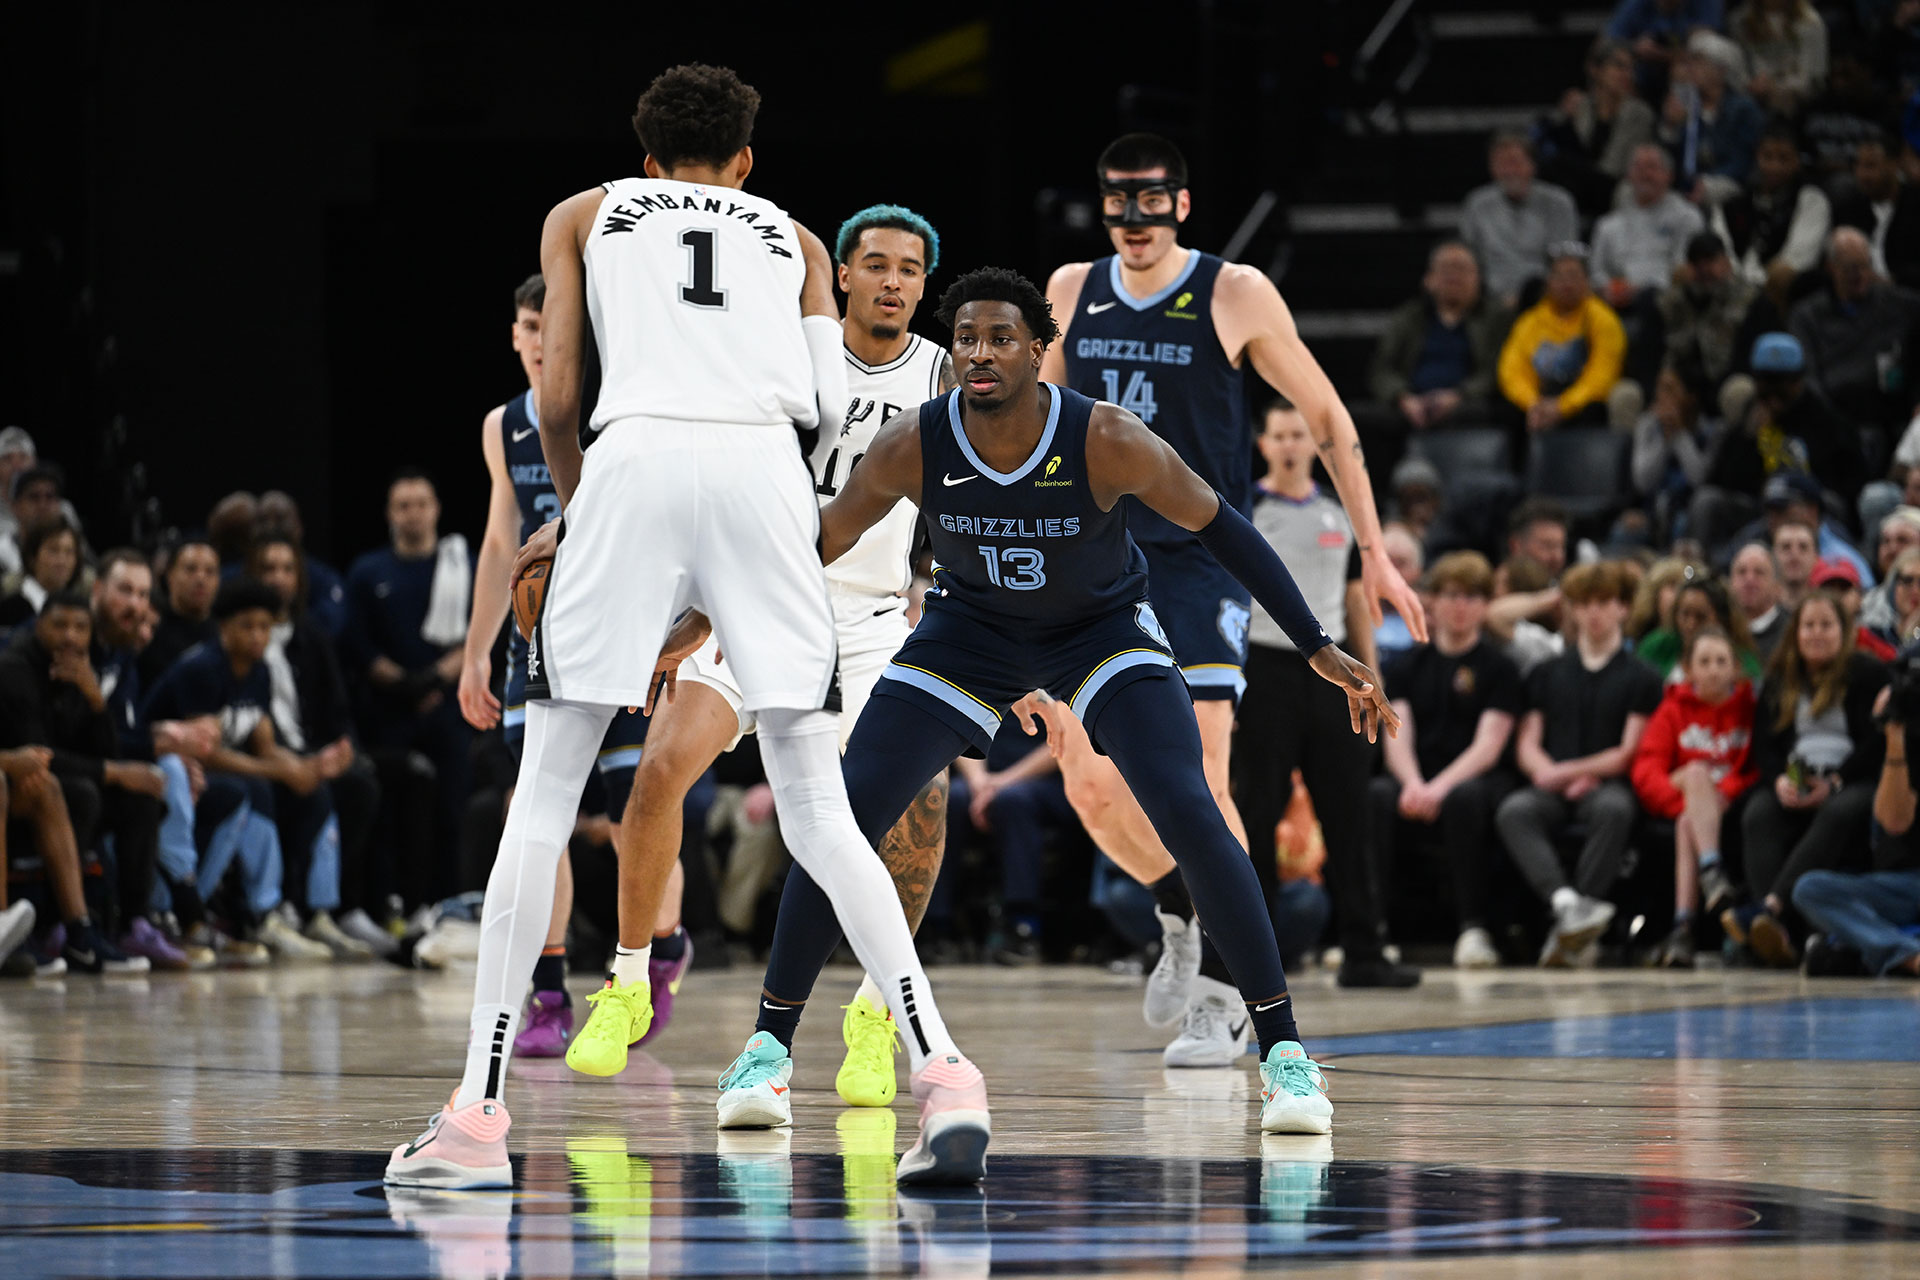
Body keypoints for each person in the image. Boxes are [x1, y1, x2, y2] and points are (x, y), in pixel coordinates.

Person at [388, 65, 988, 1191]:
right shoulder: (802, 241)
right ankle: (946, 1071)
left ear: (646, 157)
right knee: (818, 804)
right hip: (766, 475)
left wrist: (578, 520)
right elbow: (818, 412)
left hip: (637, 457)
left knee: (548, 790)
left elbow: (559, 399)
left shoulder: (585, 212)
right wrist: (729, 566)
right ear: (748, 162)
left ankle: (476, 1115)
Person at [705, 265, 1393, 1140]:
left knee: (1190, 810)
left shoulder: (1106, 436)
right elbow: (815, 544)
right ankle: (768, 1051)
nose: (981, 353)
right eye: (965, 339)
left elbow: (1222, 525)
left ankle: (1286, 1056)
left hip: (1100, 633)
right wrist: (714, 612)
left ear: (1040, 349)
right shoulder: (913, 443)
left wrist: (1315, 643)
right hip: (969, 635)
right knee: (843, 816)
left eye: (1000, 338)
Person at [565, 204, 956, 1106]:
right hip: (755, 592)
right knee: (661, 767)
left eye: (910, 269)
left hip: (865, 617)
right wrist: (688, 603)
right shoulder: (785, 353)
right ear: (843, 277)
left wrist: (942, 591)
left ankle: (873, 1013)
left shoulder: (942, 372)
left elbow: (972, 501)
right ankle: (628, 978)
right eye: (877, 265)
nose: (894, 280)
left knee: (919, 803)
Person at [1038, 131, 1423, 1015]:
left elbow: (1327, 416)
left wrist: (1371, 548)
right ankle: (1183, 901)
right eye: (1118, 199)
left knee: (1203, 772)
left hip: (1197, 561)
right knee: (1090, 785)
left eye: (1151, 198)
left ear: (1181, 202)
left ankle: (1228, 991)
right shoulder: (1070, 290)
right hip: (1092, 563)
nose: (1134, 217)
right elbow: (1036, 428)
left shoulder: (1234, 291)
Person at [453, 273, 675, 1062]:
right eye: (528, 324)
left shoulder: (620, 407)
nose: (543, 337)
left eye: (556, 323)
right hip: (538, 642)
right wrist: (477, 648)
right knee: (531, 814)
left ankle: (658, 951)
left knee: (637, 814)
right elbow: (496, 545)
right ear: (515, 335)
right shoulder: (501, 427)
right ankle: (547, 993)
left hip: (630, 634)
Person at [1227, 398, 1385, 1035]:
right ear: (1263, 444)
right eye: (1281, 434)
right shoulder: (1245, 510)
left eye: (1301, 434)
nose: (1291, 444)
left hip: (1332, 672)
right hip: (1261, 668)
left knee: (1349, 808)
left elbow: (1353, 600)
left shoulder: (1337, 515)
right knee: (1257, 814)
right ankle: (1261, 964)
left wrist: (1372, 678)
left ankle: (1367, 951)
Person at [143, 580, 345, 964]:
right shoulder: (201, 668)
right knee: (251, 790)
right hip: (172, 768)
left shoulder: (260, 672)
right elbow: (205, 752)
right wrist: (281, 773)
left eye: (265, 627)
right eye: (247, 626)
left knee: (313, 791)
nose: (257, 635)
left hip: (221, 770)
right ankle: (237, 911)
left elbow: (264, 744)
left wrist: (308, 768)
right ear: (224, 627)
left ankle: (299, 912)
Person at [1496, 561, 1665, 966]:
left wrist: (1569, 772)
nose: (1594, 612)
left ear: (1623, 608)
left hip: (1604, 784)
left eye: (1604, 602)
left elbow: (1627, 752)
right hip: (1555, 784)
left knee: (1615, 809)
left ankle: (1574, 928)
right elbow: (1528, 743)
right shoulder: (1546, 672)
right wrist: (1547, 774)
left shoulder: (1642, 676)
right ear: (1572, 609)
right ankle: (1569, 905)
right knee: (1514, 810)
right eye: (1585, 603)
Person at [1373, 551, 1524, 968]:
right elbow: (1396, 732)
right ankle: (1374, 929)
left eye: (1473, 597)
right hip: (1417, 775)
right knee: (1378, 797)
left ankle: (1473, 930)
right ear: (1432, 601)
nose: (1461, 606)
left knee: (1465, 800)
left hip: (1478, 778)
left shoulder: (1500, 668)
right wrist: (1413, 784)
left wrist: (1437, 788)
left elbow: (1488, 747)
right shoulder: (1406, 665)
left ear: (1485, 605)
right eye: (1452, 595)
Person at [1726, 591, 1887, 965]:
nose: (1816, 633)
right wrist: (1780, 781)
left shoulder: (1867, 673)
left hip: (1853, 779)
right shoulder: (1781, 679)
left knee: (1838, 811)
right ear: (1795, 633)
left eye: (1826, 625)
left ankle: (1770, 909)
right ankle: (1776, 937)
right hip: (1798, 774)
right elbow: (1765, 747)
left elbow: (1876, 745)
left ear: (1843, 631)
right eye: (1808, 625)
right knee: (1758, 813)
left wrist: (1834, 782)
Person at [0, 591, 153, 974]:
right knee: (69, 791)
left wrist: (94, 698)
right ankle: (33, 927)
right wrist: (112, 772)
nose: (70, 636)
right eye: (60, 625)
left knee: (138, 800)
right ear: (38, 626)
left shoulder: (82, 669)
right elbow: (40, 752)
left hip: (35, 779)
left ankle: (102, 929)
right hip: (16, 777)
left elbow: (106, 750)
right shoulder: (16, 667)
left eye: (80, 627)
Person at [342, 470, 473, 899]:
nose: (413, 514)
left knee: (452, 811)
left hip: (451, 710)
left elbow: (480, 634)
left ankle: (449, 901)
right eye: (403, 505)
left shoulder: (463, 564)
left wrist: (433, 680)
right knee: (392, 812)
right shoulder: (367, 572)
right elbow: (360, 646)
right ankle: (395, 905)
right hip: (389, 714)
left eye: (421, 504)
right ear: (389, 513)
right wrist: (406, 685)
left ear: (435, 509)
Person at [249, 536, 381, 960]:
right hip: (264, 758)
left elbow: (337, 712)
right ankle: (285, 904)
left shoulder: (313, 637)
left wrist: (341, 751)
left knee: (361, 783)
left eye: (287, 569)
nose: (278, 578)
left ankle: (344, 908)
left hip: (310, 752)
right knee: (305, 790)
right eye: (269, 568)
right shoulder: (243, 638)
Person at [1631, 627, 1756, 966]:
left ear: (1735, 668)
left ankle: (1683, 926)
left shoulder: (1750, 710)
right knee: (1695, 784)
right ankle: (1711, 871)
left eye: (1721, 661)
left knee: (1693, 810)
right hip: (1687, 802)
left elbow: (1753, 769)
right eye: (1704, 661)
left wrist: (1720, 796)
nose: (1714, 669)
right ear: (1689, 670)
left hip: (1731, 805)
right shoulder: (1672, 711)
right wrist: (1689, 800)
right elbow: (1646, 771)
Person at [1791, 675, 1920, 978]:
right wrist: (1894, 737)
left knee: (1830, 953)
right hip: (1905, 885)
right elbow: (1894, 822)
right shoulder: (1904, 740)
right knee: (1810, 888)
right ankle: (1907, 954)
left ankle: (1869, 947)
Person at [1360, 241, 1509, 478]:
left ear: (1479, 278)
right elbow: (1381, 369)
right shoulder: (1409, 317)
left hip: (1467, 406)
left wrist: (1460, 395)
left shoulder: (1495, 319)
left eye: (1462, 269)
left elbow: (1496, 370)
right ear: (1428, 279)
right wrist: (1402, 397)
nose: (1454, 276)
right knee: (1357, 421)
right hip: (1412, 406)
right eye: (1447, 269)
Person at [1789, 226, 1920, 433]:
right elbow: (1808, 377)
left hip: (1891, 414)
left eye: (1865, 266)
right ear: (1831, 267)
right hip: (1835, 416)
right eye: (1850, 268)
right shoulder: (1807, 316)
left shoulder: (1899, 305)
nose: (1859, 275)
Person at [1497, 243, 1627, 432]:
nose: (1567, 283)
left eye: (1574, 276)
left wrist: (1562, 407)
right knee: (1508, 410)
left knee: (1593, 408)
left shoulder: (1604, 320)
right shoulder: (1530, 321)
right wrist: (1532, 404)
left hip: (1582, 401)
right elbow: (1512, 371)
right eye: (1559, 276)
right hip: (1539, 401)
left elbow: (1602, 376)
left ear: (1587, 281)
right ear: (1548, 282)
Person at [1710, 119, 1831, 303]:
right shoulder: (1732, 202)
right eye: (1767, 157)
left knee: (1780, 274)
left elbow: (1799, 257)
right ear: (1757, 157)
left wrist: (1757, 282)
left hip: (1779, 289)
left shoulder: (1811, 200)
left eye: (1783, 159)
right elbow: (1721, 246)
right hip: (1732, 284)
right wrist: (1735, 279)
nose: (1774, 166)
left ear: (1797, 161)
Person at [1461, 132, 1581, 307]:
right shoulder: (1477, 204)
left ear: (1532, 165)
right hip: (1489, 301)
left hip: (1547, 300)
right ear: (1492, 169)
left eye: (1515, 162)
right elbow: (1469, 259)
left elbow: (1565, 261)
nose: (1509, 171)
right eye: (1501, 164)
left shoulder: (1559, 203)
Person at [1540, 39, 1658, 215]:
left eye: (1630, 68)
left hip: (1614, 186)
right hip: (1580, 187)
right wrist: (1566, 119)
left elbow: (1613, 168)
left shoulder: (1639, 114)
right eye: (1619, 66)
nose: (1627, 74)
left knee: (1561, 164)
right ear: (1595, 70)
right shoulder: (1580, 107)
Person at [1590, 145, 1704, 305]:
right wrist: (1609, 288)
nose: (1644, 174)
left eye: (1652, 167)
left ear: (1669, 175)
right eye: (1638, 167)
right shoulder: (1608, 225)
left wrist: (1639, 289)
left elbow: (1684, 268)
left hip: (1665, 301)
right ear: (1629, 175)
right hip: (1615, 299)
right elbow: (1596, 271)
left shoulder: (1687, 217)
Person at [1660, 31, 1765, 198]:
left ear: (1721, 71)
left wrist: (1706, 183)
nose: (1690, 69)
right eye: (1690, 62)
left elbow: (1743, 160)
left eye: (1699, 62)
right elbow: (1672, 161)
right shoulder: (1685, 105)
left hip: (1728, 183)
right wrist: (1671, 127)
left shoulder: (1743, 108)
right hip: (1685, 185)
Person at [1660, 232, 1760, 391]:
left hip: (1728, 377)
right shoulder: (1676, 300)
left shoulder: (1748, 298)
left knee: (1739, 390)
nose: (1704, 269)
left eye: (1710, 261)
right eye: (1697, 263)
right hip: (1685, 381)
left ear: (1726, 262)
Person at [1832, 132, 1920, 289]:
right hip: (1858, 291)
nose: (1862, 174)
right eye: (1858, 165)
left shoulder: (1915, 204)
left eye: (1870, 166)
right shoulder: (1849, 207)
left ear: (1894, 165)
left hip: (1906, 293)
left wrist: (1894, 281)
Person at [1637, 574, 1765, 681]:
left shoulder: (1743, 661)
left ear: (1721, 620)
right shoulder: (1657, 646)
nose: (1690, 624)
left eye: (1701, 617)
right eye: (1685, 614)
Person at [141, 537, 220, 686]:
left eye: (210, 571)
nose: (200, 578)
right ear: (170, 575)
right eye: (190, 569)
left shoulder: (224, 634)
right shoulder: (149, 631)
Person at [1733, 0, 1828, 113]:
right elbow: (1738, 69)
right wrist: (1751, 83)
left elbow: (1814, 76)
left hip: (1800, 97)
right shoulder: (1740, 21)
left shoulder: (1810, 22)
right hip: (1756, 94)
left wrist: (1776, 86)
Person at [0, 516, 83, 630]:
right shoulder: (8, 609)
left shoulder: (81, 610)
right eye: (53, 550)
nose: (62, 561)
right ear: (32, 557)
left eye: (69, 552)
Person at [1730, 540, 1788, 660]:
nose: (1749, 580)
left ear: (1777, 585)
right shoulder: (1720, 626)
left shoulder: (1791, 630)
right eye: (1741, 572)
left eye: (1759, 572)